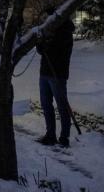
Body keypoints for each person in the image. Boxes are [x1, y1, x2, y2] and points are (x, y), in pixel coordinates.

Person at [35, 8, 75, 148]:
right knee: (46, 105)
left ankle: (64, 138)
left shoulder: (65, 32)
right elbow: (41, 50)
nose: (46, 21)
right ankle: (50, 135)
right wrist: (40, 42)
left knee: (62, 106)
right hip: (45, 72)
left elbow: (55, 51)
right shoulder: (49, 32)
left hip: (57, 74)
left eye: (47, 18)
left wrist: (45, 42)